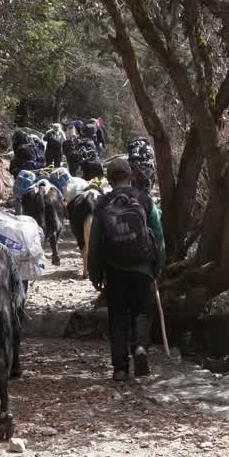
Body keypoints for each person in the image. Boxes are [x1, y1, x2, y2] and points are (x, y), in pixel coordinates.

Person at [88, 156, 166, 381]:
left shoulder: (102, 204)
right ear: (130, 177)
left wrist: (95, 274)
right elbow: (158, 235)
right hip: (143, 269)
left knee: (117, 318)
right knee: (142, 311)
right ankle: (140, 347)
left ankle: (120, 368)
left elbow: (94, 244)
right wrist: (158, 265)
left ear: (109, 180)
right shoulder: (144, 199)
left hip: (114, 270)